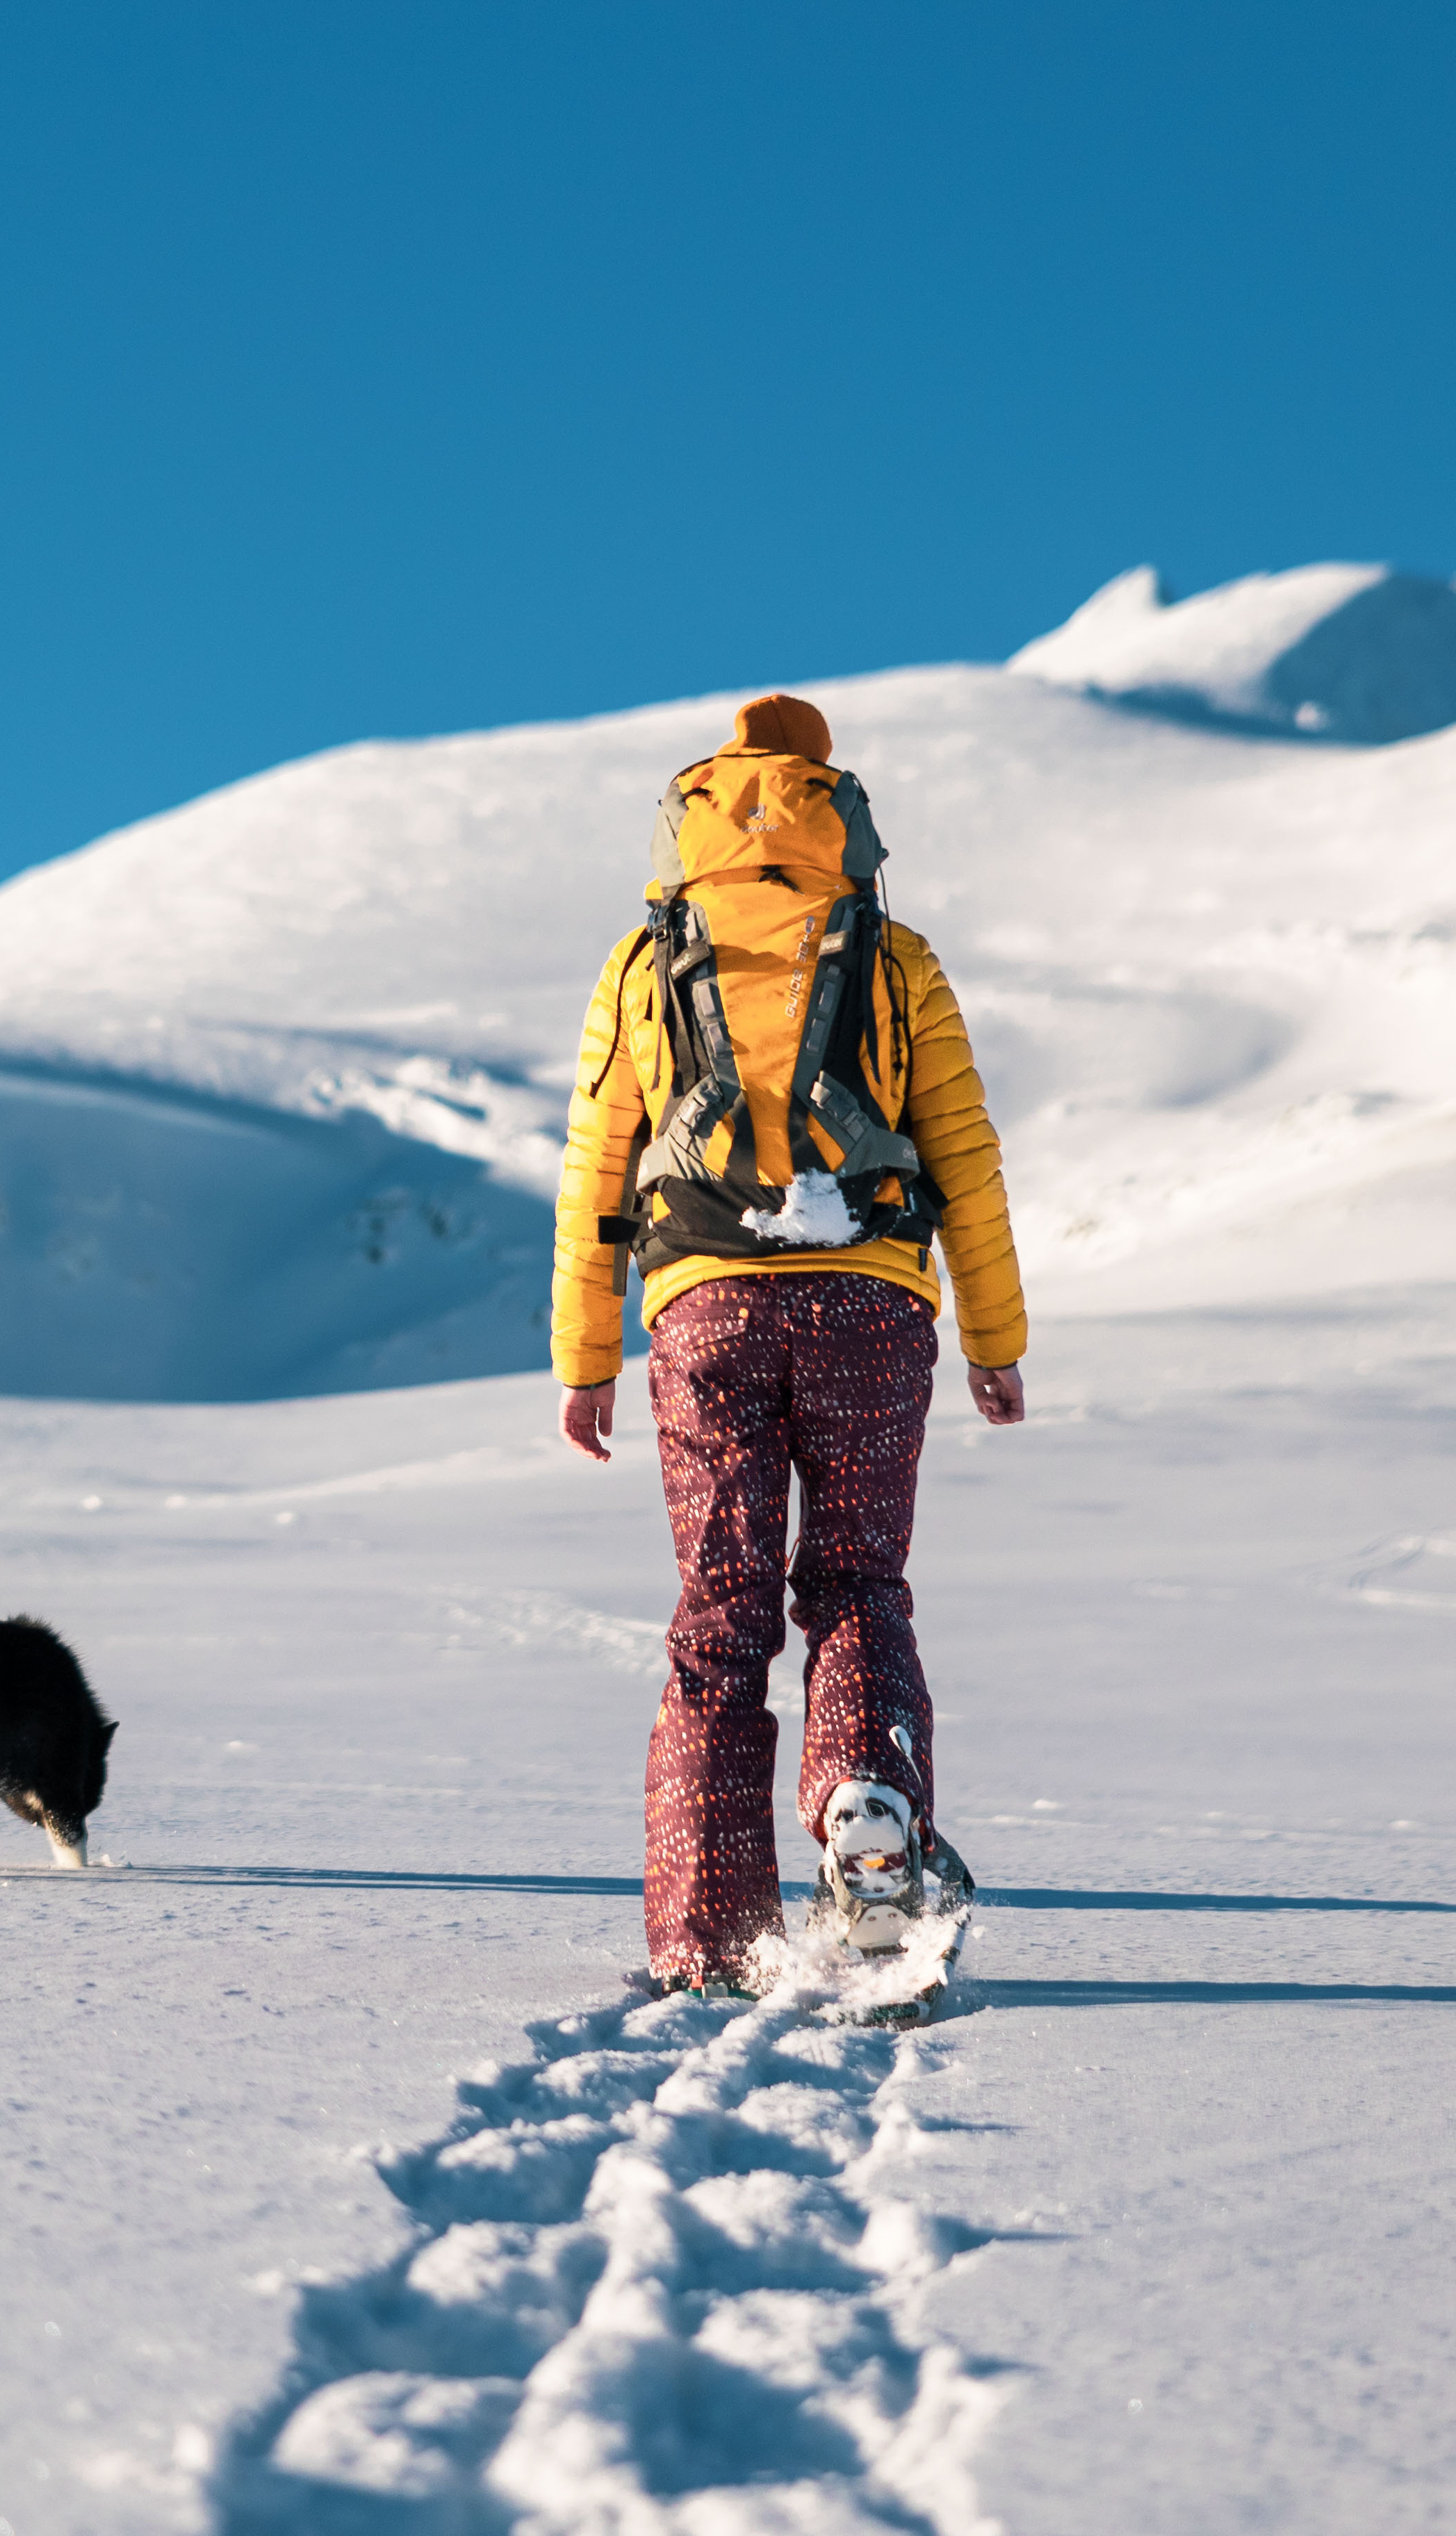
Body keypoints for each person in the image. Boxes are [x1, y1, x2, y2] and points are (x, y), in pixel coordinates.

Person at [550, 691, 1028, 1997]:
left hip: (704, 1310)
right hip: (873, 1305)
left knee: (719, 1620)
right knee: (859, 1584)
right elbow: (964, 1160)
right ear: (837, 807)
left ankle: (709, 1940)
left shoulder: (646, 963)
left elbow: (600, 1165)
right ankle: (866, 1798)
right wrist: (995, 1335)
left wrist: (586, 1355)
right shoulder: (895, 955)